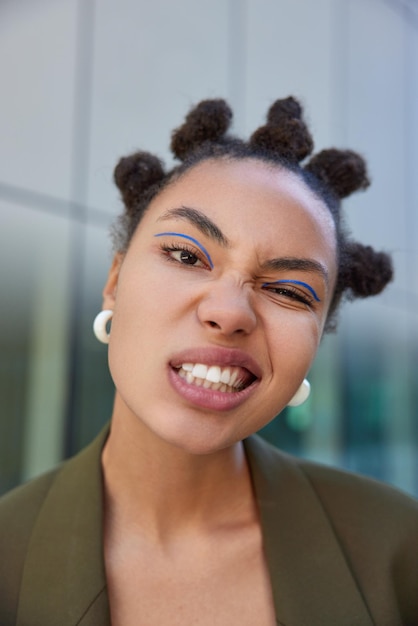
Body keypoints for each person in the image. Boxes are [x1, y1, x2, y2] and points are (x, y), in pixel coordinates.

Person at [0, 97, 417, 626]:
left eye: (290, 291)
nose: (228, 312)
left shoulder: (399, 551)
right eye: (186, 255)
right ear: (114, 282)